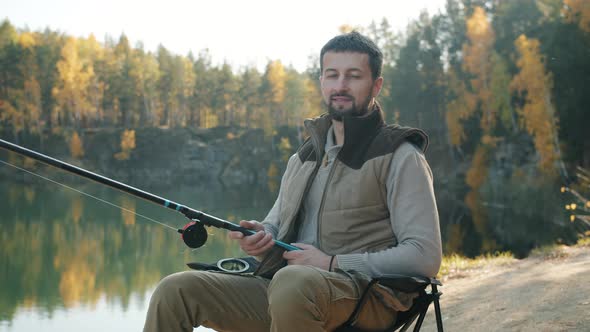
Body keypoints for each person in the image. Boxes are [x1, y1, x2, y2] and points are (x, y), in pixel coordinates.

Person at [143, 31, 442, 332]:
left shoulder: (399, 154)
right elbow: (274, 226)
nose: (340, 85)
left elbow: (424, 256)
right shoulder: (303, 157)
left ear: (376, 85)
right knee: (176, 290)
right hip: (288, 291)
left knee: (292, 281)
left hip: (367, 296)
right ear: (321, 82)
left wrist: (332, 263)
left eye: (354, 76)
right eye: (332, 75)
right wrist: (261, 237)